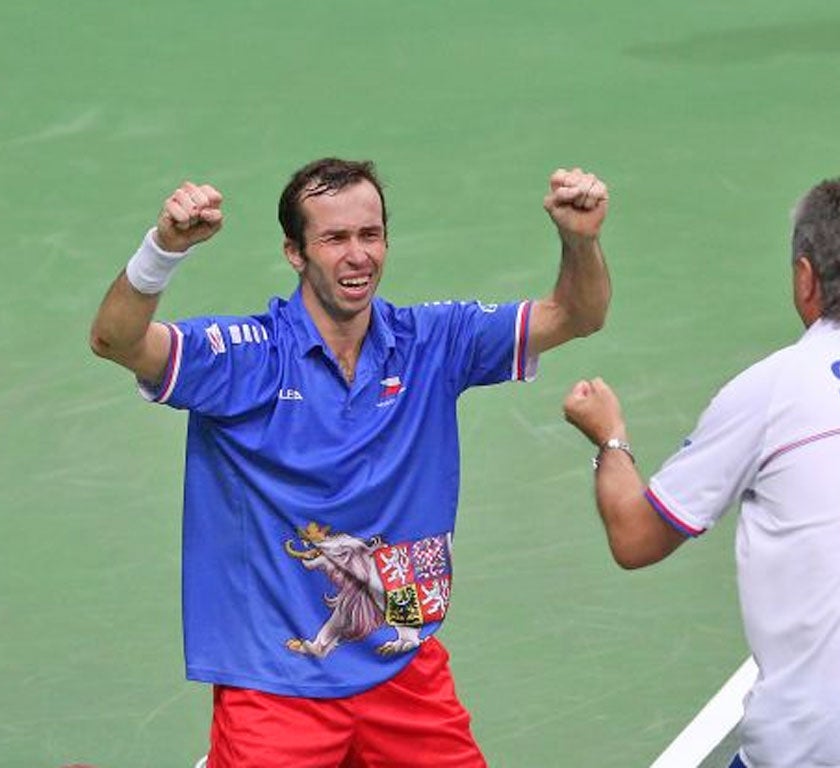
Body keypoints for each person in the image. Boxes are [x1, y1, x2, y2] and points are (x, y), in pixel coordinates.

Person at [89, 158, 610, 768]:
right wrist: (164, 249)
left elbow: (577, 315)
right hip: (276, 684)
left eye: (370, 235)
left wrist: (581, 241)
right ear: (295, 252)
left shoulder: (432, 342)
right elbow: (116, 340)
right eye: (335, 239)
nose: (358, 255)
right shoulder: (245, 359)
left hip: (403, 661)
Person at [562, 177, 840, 768]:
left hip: (836, 748)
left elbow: (634, 535)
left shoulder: (775, 386)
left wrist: (610, 436)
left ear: (806, 277)